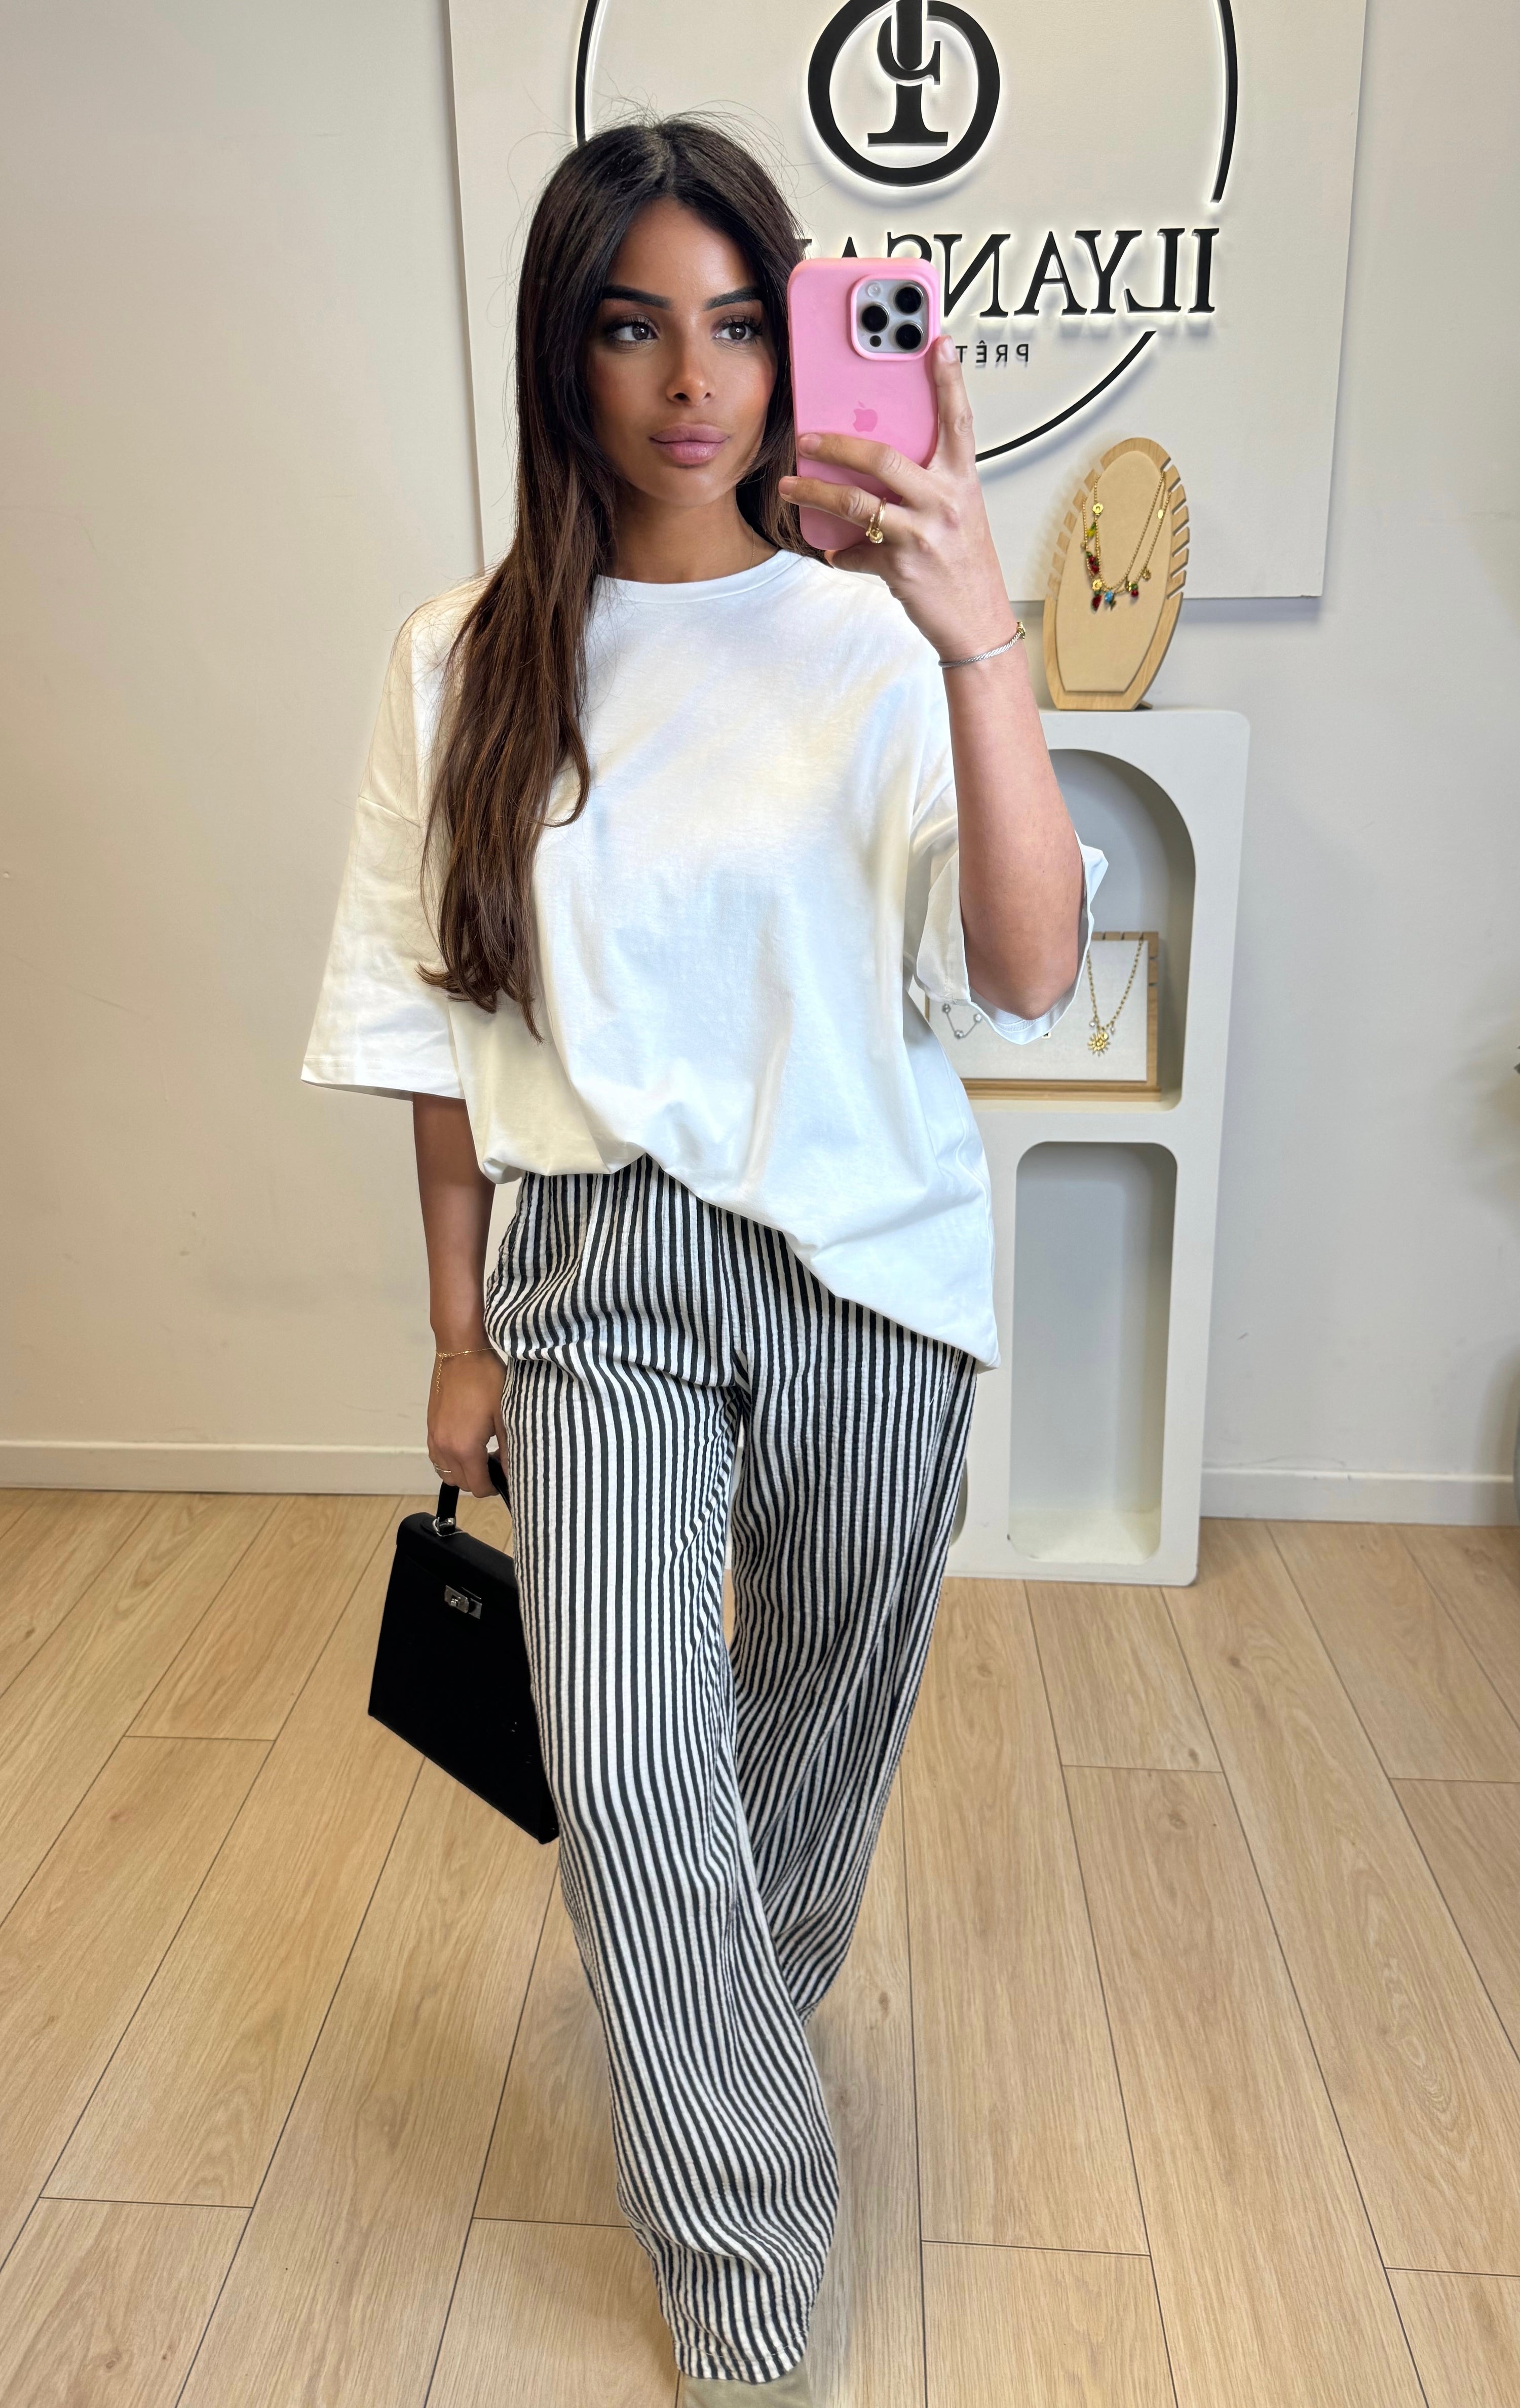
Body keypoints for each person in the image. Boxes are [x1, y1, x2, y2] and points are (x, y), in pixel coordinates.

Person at [303, 114, 1103, 2408]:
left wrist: (981, 631)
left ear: (796, 347)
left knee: (804, 1775)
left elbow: (1030, 969)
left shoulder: (883, 630)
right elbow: (437, 1028)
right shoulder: (463, 656)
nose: (694, 380)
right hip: (600, 1283)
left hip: (869, 1264)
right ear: (562, 348)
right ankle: (754, 2281)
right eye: (635, 324)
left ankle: (723, 2013)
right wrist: (454, 1330)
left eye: (743, 325)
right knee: (637, 1774)